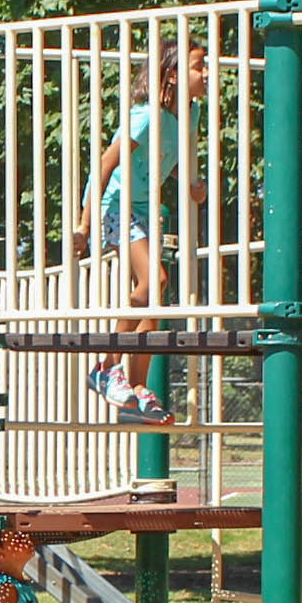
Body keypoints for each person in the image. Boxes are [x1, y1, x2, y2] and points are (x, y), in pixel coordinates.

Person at [71, 40, 211, 422]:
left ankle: (135, 390)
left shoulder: (189, 114)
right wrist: (84, 223)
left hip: (147, 207)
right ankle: (106, 367)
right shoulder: (145, 115)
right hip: (117, 204)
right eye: (199, 66)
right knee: (154, 280)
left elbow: (167, 160)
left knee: (157, 293)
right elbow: (105, 164)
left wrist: (190, 182)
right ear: (171, 75)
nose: (207, 74)